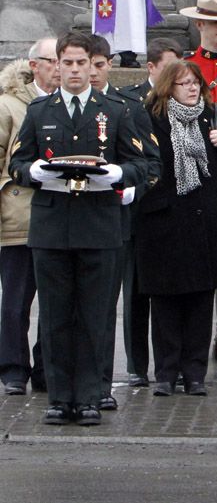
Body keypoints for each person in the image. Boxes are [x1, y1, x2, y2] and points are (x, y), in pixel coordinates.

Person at [9, 32, 150, 425]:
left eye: (80, 63)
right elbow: (18, 163)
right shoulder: (40, 111)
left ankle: (89, 396)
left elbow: (142, 163)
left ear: (93, 66)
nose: (72, 70)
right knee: (54, 316)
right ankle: (59, 397)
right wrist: (34, 172)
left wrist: (119, 175)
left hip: (99, 225)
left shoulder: (117, 110)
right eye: (65, 63)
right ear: (56, 65)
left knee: (94, 315)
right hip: (52, 227)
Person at [136, 61, 217, 397]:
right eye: (183, 83)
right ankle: (166, 372)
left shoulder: (212, 115)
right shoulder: (151, 117)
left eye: (195, 83)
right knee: (165, 302)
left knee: (200, 299)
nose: (192, 88)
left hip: (205, 220)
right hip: (165, 221)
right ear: (169, 87)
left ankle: (195, 373)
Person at [87, 36, 161, 411]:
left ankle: (125, 369)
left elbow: (149, 161)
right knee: (87, 306)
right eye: (88, 64)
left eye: (101, 65)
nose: (94, 72)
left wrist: (131, 190)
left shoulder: (127, 106)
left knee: (128, 295)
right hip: (76, 217)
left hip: (120, 217)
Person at [116, 37, 183, 388]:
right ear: (152, 68)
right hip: (138, 207)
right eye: (169, 68)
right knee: (136, 292)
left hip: (169, 209)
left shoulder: (185, 103)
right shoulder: (132, 101)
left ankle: (170, 364)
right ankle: (136, 364)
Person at [0, 38, 59, 396]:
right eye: (51, 61)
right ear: (34, 66)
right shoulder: (8, 105)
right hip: (19, 215)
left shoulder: (64, 105)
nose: (58, 67)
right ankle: (12, 369)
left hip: (57, 215)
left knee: (54, 302)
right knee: (16, 301)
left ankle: (45, 367)